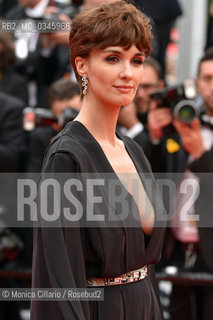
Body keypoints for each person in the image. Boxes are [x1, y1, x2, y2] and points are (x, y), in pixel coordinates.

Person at [31, 2, 165, 319]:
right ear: (82, 65)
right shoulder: (67, 157)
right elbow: (59, 282)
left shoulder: (134, 151)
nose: (128, 73)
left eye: (137, 60)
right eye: (113, 58)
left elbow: (146, 270)